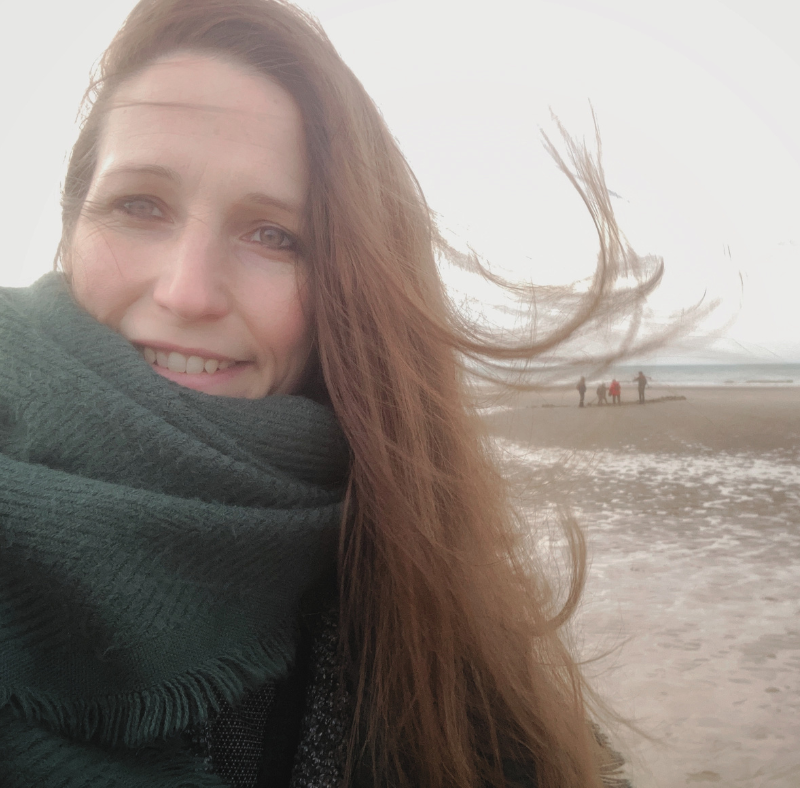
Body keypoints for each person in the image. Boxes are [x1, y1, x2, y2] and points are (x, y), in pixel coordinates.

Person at [0, 1, 643, 786]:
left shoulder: (424, 608)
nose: (187, 291)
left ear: (347, 287)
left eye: (274, 234)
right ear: (71, 230)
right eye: (140, 205)